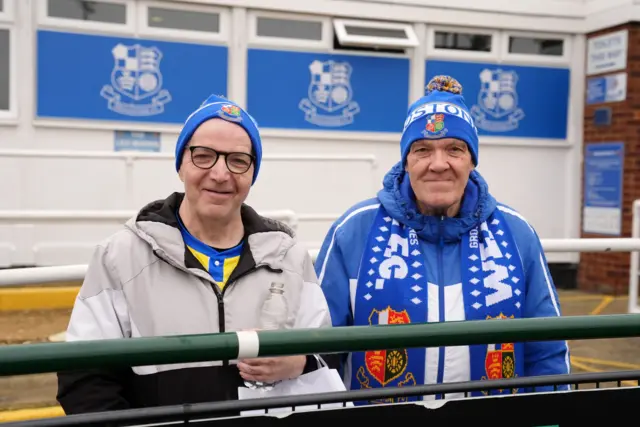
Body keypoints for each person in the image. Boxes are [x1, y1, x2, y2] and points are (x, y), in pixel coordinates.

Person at [57, 95, 332, 414]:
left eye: (238, 160)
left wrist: (300, 362)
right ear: (181, 164)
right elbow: (85, 379)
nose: (220, 173)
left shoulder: (290, 258)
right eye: (204, 156)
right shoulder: (121, 256)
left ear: (252, 173)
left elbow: (327, 354)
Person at [314, 76, 570, 403]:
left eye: (454, 149)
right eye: (422, 150)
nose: (438, 164)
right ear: (406, 161)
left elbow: (547, 350)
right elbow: (319, 349)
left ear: (471, 160)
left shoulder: (516, 233)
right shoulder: (353, 230)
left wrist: (549, 419)